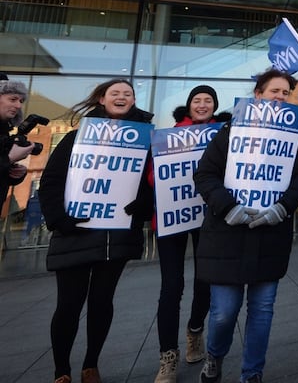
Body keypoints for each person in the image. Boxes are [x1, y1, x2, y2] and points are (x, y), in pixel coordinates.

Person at [193, 69, 298, 383]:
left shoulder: (295, 136)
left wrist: (282, 208)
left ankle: (252, 373)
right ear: (258, 94)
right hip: (227, 237)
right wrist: (228, 208)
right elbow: (205, 174)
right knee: (223, 313)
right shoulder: (230, 130)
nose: (280, 97)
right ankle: (215, 355)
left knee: (262, 311)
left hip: (270, 236)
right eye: (274, 91)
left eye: (286, 93)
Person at [38, 79, 155, 383]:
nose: (122, 97)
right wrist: (59, 219)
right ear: (102, 99)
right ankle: (61, 371)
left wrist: (144, 202)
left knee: (102, 302)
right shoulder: (77, 138)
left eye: (127, 94)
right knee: (68, 304)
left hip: (115, 236)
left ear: (133, 101)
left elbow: (152, 183)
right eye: (115, 93)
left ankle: (91, 365)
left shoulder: (144, 141)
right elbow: (51, 181)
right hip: (75, 233)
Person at [153, 85, 220, 383]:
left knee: (205, 279)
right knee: (171, 286)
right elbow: (152, 175)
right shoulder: (170, 135)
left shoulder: (223, 134)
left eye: (208, 100)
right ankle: (168, 356)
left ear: (214, 106)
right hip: (171, 217)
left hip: (207, 216)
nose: (202, 104)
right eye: (197, 100)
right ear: (189, 105)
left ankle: (195, 330)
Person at [1, 76, 32, 207]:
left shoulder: (4, 132)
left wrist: (15, 172)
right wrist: (10, 159)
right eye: (13, 99)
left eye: (21, 101)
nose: (19, 105)